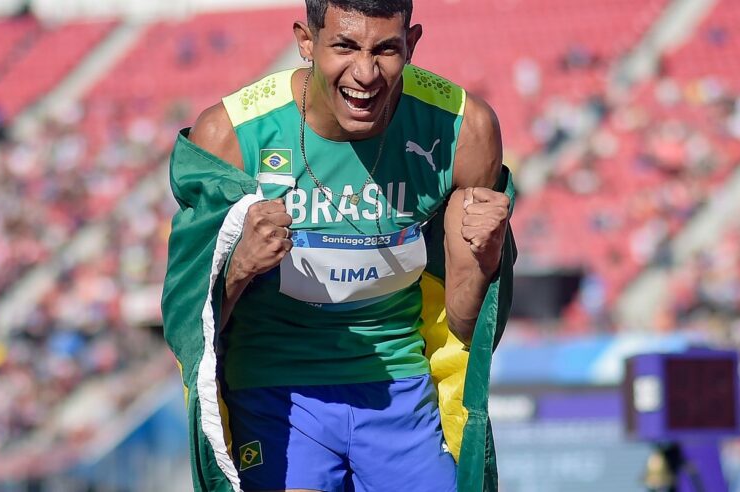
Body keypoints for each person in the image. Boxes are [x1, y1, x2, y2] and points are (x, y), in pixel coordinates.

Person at [162, 1, 517, 491]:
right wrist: (238, 265)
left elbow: (463, 325)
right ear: (306, 41)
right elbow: (188, 331)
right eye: (345, 46)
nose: (366, 74)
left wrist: (487, 256)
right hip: (275, 393)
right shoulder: (230, 136)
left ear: (412, 43)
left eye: (387, 50)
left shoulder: (462, 129)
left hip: (400, 393)